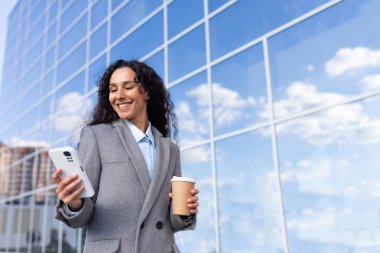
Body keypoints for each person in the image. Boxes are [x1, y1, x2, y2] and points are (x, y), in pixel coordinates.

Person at [53, 59, 199, 253]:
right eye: (113, 90)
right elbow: (83, 216)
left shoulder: (170, 149)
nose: (119, 96)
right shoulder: (97, 136)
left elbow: (174, 222)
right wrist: (74, 203)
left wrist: (185, 211)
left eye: (128, 87)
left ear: (147, 92)